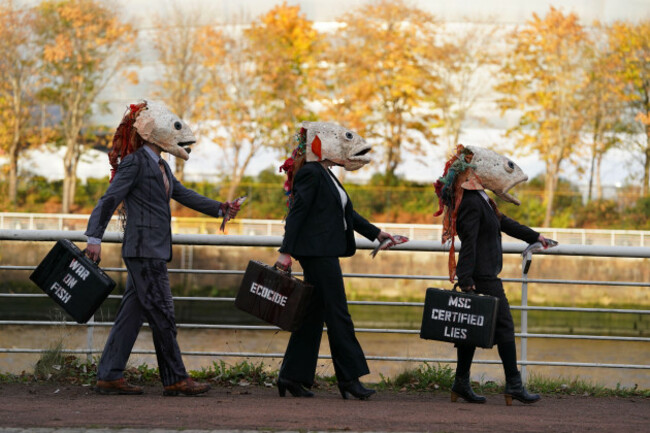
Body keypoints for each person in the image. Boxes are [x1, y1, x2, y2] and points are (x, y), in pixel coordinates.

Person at [84, 100, 240, 396]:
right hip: (143, 251)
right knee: (163, 313)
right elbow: (108, 199)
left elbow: (183, 194)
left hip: (150, 250)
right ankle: (175, 379)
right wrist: (94, 238)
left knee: (132, 314)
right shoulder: (134, 163)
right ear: (150, 131)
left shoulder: (162, 166)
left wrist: (221, 208)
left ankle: (109, 375)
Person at [274, 122, 397, 400]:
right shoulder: (311, 173)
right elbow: (297, 213)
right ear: (321, 144)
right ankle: (349, 379)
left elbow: (347, 215)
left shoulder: (325, 173)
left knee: (312, 316)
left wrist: (377, 234)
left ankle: (290, 377)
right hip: (317, 254)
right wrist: (285, 251)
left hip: (323, 251)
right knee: (339, 314)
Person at [433, 144, 545, 405]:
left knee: (471, 329)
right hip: (482, 276)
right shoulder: (471, 201)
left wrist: (536, 237)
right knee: (504, 326)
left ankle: (461, 383)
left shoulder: (481, 197)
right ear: (477, 172)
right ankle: (514, 385)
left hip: (481, 274)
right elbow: (469, 242)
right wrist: (466, 279)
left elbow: (503, 222)